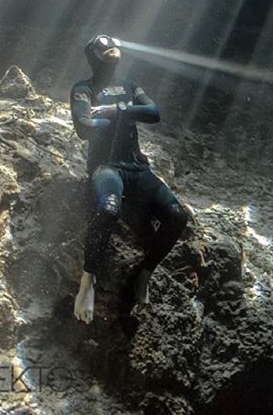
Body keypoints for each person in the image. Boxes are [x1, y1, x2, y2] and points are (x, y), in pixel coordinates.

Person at [70, 34, 188, 325]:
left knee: (177, 215)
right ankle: (87, 282)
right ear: (92, 54)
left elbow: (155, 112)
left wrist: (113, 111)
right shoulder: (83, 89)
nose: (112, 46)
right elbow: (83, 127)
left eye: (114, 42)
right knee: (108, 209)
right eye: (103, 43)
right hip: (106, 167)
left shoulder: (130, 86)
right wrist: (120, 114)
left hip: (137, 167)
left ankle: (144, 274)